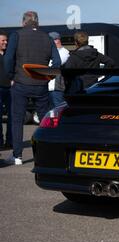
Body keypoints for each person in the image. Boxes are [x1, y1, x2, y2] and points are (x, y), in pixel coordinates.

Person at [3, 11, 61, 165]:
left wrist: (10, 76)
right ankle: (50, 154)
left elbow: (8, 58)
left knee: (17, 120)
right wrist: (48, 77)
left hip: (21, 82)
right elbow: (57, 61)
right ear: (37, 22)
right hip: (41, 84)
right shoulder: (48, 38)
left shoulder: (17, 35)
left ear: (23, 22)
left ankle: (17, 156)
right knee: (45, 120)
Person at [48, 32, 69, 109]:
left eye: (49, 41)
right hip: (47, 87)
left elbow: (54, 65)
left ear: (57, 40)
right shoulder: (51, 52)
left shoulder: (64, 52)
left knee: (59, 111)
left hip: (56, 89)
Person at [0, 30, 12, 150]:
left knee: (12, 116)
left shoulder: (9, 54)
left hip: (10, 89)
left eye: (6, 40)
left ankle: (10, 141)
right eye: (3, 40)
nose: (6, 42)